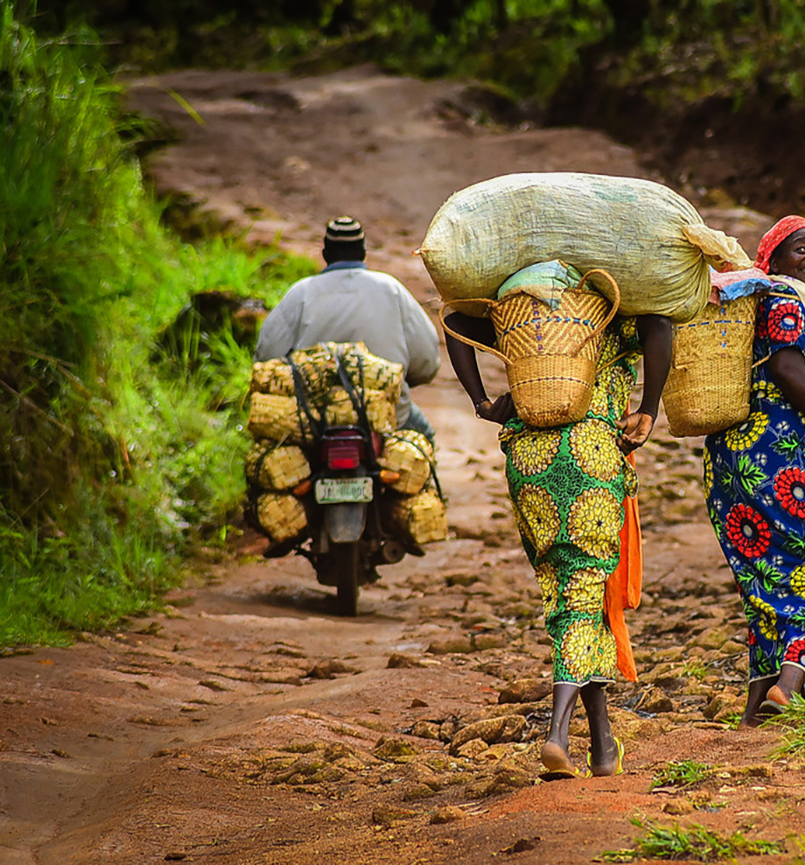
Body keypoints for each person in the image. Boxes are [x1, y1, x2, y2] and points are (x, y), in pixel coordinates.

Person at [443, 287, 671, 780]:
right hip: (589, 458)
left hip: (529, 464)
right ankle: (558, 735)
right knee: (584, 593)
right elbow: (659, 324)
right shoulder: (605, 318)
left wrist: (482, 402)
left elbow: (455, 321)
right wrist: (649, 407)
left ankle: (604, 746)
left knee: (569, 596)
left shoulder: (523, 324)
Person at [703, 216, 805, 727]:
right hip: (774, 457)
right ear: (771, 261)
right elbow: (787, 367)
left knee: (763, 579)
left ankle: (756, 709)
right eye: (801, 249)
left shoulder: (749, 301)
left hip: (728, 460)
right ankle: (792, 683)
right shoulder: (787, 300)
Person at [255, 217, 441, 440]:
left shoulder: (301, 293)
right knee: (425, 437)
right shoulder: (390, 289)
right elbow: (427, 360)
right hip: (384, 416)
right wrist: (398, 379)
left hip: (311, 419)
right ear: (363, 252)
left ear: (325, 254)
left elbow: (267, 357)